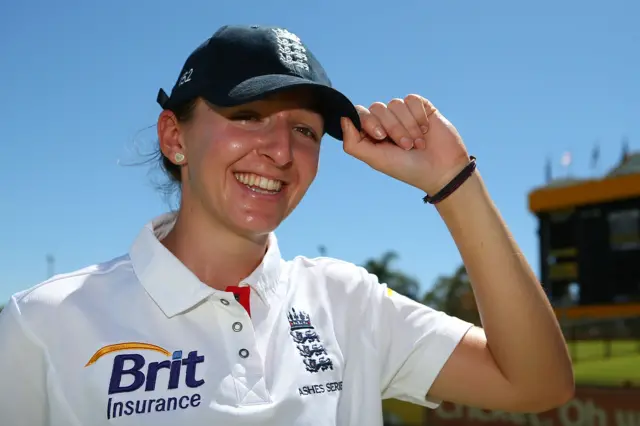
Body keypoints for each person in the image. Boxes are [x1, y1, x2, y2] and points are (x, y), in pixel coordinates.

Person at [0, 24, 574, 426]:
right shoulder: (41, 325)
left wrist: (453, 182)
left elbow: (538, 383)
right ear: (174, 136)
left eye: (304, 130)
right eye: (247, 116)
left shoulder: (348, 302)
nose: (279, 150)